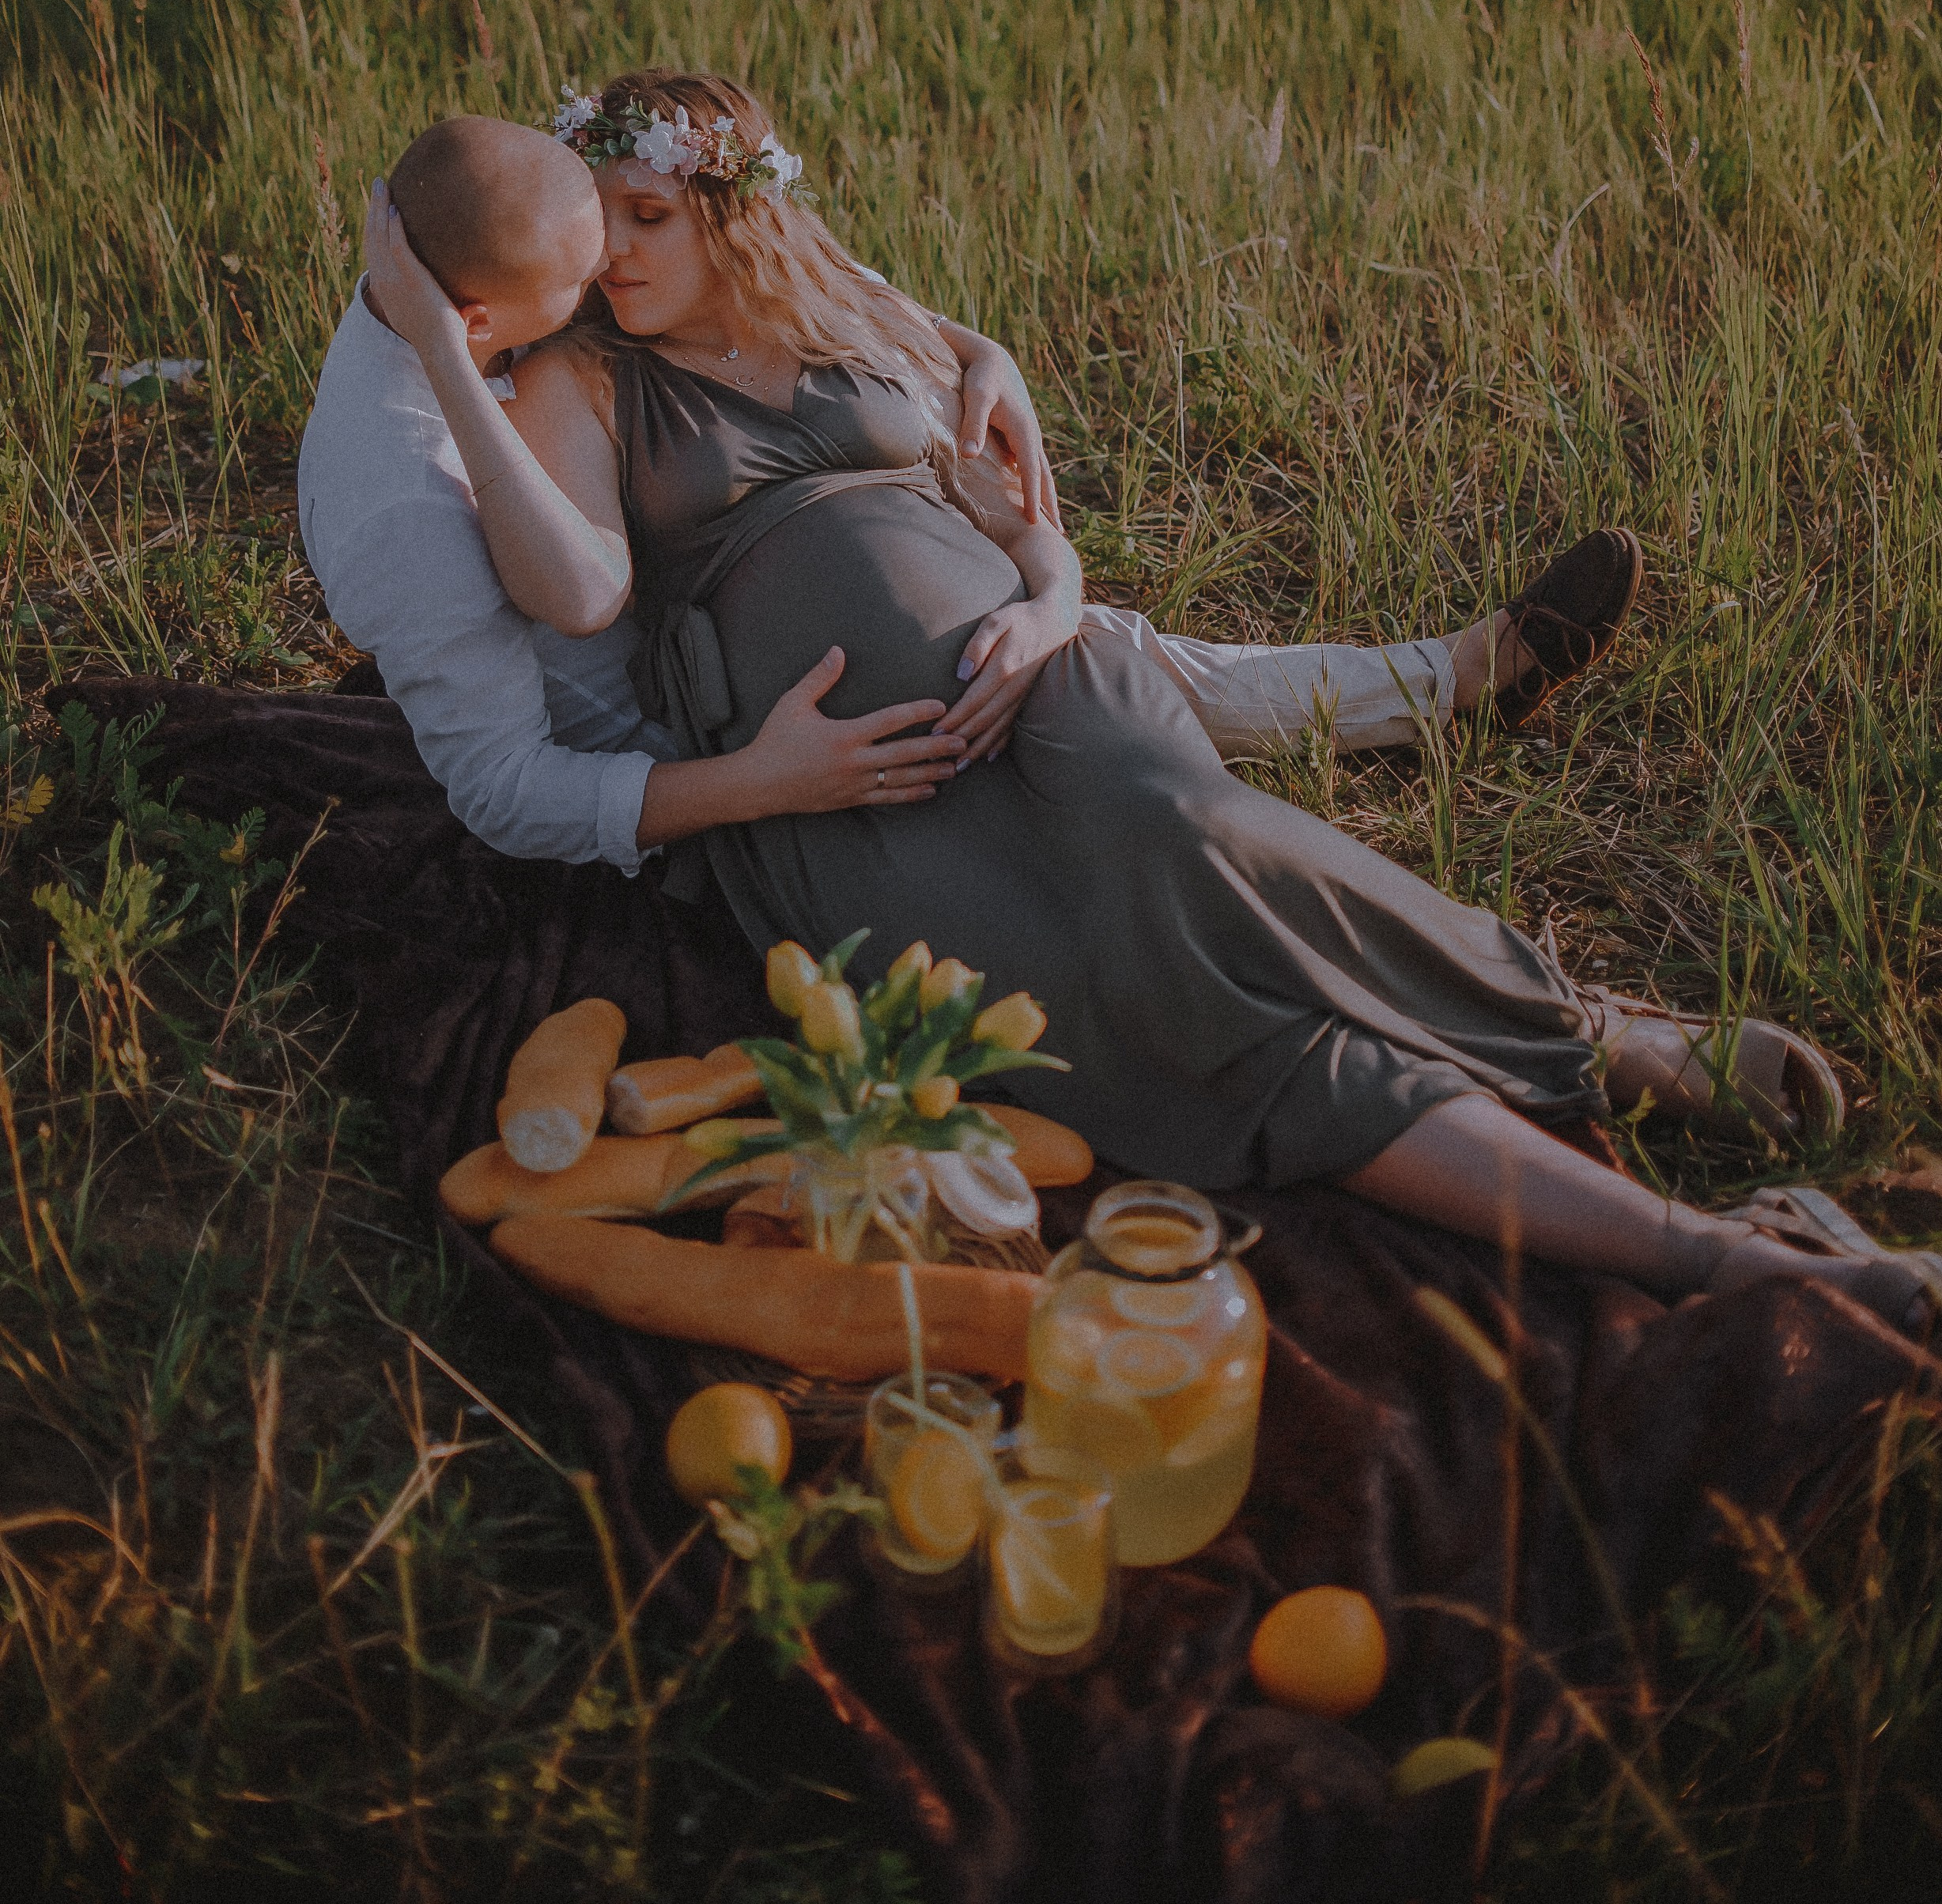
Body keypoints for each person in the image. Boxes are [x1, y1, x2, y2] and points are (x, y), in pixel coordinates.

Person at [368, 69, 1933, 1342]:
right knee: (1182, 1018)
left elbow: (1017, 513)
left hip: (1032, 668)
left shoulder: (826, 304)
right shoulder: (583, 378)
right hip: (845, 779)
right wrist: (444, 347)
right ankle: (1701, 1253)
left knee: (1189, 826)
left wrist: (1051, 606)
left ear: (728, 210)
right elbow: (572, 591)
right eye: (597, 227)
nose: (610, 259)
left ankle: (1592, 1036)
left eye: (645, 217)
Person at [299, 115, 1638, 880]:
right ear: (481, 327)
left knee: (1091, 653)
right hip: (694, 750)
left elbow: (747, 251)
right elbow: (516, 785)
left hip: (819, 625)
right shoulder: (405, 490)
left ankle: (1446, 683)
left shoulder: (509, 269)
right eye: (580, 282)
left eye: (626, 231)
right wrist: (752, 783)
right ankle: (1413, 722)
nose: (606, 286)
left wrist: (969, 348)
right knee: (1092, 717)